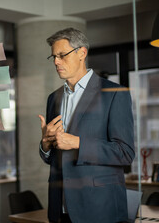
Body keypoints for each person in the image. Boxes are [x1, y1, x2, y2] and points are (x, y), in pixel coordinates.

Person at [38, 28, 135, 223]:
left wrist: (78, 143)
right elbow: (52, 159)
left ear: (82, 53)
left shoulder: (114, 93)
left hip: (99, 209)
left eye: (62, 55)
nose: (56, 62)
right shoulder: (53, 99)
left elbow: (125, 152)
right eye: (54, 57)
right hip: (60, 209)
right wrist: (46, 145)